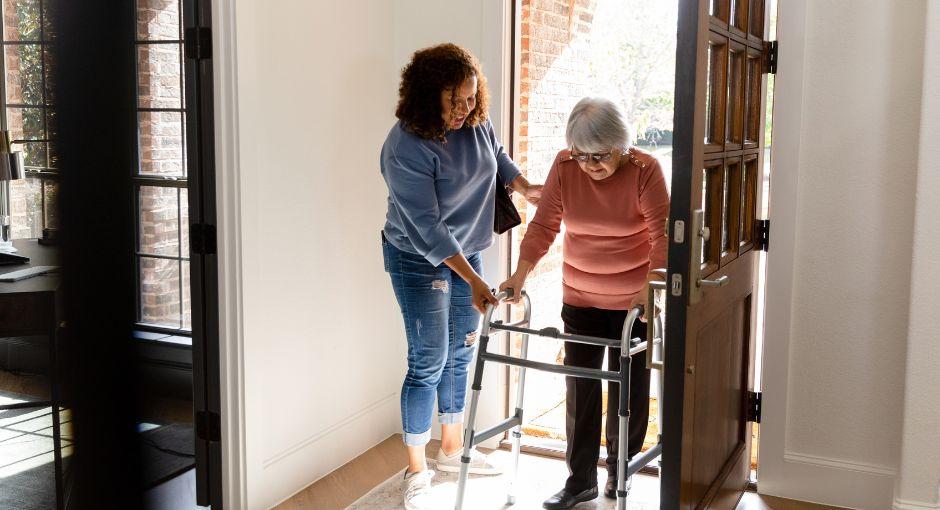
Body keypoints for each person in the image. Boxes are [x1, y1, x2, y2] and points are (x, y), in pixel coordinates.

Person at [380, 43, 542, 510]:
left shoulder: (475, 122)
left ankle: (451, 449)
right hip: (417, 257)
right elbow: (426, 227)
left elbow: (497, 154)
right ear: (427, 96)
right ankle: (416, 468)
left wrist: (523, 185)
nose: (465, 109)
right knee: (428, 359)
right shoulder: (405, 147)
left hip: (467, 253)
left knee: (460, 354)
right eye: (455, 100)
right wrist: (472, 279)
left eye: (471, 99)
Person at [499, 97, 669, 510]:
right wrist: (520, 275)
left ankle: (620, 471)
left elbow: (663, 233)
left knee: (629, 388)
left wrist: (652, 288)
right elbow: (544, 225)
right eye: (581, 154)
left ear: (622, 145)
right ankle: (580, 481)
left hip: (633, 305)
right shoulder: (564, 166)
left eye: (600, 155)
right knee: (581, 387)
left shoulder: (645, 171)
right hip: (580, 297)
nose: (590, 165)